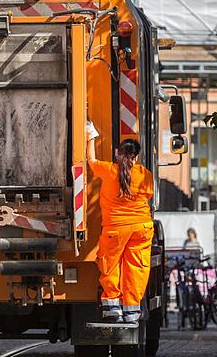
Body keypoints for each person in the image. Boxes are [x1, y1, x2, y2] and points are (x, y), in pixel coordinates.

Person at [87, 121, 154, 324]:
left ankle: (112, 307)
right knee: (136, 267)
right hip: (142, 228)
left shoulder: (110, 171)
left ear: (118, 154)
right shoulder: (144, 174)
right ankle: (132, 311)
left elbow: (91, 160)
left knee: (111, 264)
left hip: (115, 229)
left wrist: (91, 134)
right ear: (137, 156)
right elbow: (148, 196)